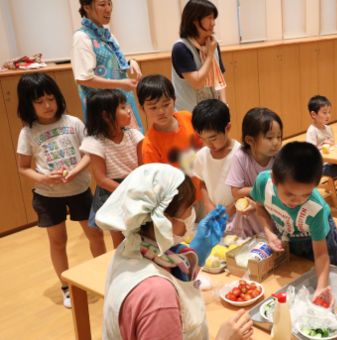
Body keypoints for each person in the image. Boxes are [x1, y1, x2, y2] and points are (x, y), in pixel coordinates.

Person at [96, 163, 254, 340]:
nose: (191, 214)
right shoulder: (158, 296)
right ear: (163, 220)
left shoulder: (129, 247)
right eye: (188, 209)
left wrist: (198, 252)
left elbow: (165, 271)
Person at [15, 73, 106, 308]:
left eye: (50, 98)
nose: (47, 105)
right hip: (47, 196)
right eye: (39, 101)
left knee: (95, 234)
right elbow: (23, 167)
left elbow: (89, 153)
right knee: (58, 242)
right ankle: (66, 287)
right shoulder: (28, 132)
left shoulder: (73, 123)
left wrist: (76, 170)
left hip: (80, 190)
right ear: (28, 105)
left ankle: (105, 277)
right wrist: (43, 178)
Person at [251, 142, 337, 304]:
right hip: (291, 235)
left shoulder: (315, 209)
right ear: (274, 178)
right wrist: (269, 232)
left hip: (320, 240)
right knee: (299, 278)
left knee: (322, 283)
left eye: (305, 194)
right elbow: (259, 207)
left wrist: (322, 287)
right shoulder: (263, 183)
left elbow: (321, 255)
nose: (296, 201)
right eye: (289, 194)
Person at [79, 89, 144, 247]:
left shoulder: (134, 135)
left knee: (141, 232)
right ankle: (120, 268)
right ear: (106, 115)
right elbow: (101, 179)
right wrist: (125, 190)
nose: (129, 110)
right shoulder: (95, 142)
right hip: (112, 193)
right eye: (122, 107)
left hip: (135, 186)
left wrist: (138, 188)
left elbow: (143, 167)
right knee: (119, 238)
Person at [71, 0, 144, 131]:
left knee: (132, 143)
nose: (108, 9)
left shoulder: (107, 34)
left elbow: (111, 62)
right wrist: (120, 83)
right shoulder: (82, 37)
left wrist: (130, 61)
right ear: (87, 7)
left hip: (121, 102)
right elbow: (83, 79)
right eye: (102, 4)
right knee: (112, 146)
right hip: (103, 109)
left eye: (109, 3)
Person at [136, 74, 204, 205]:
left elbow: (204, 147)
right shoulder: (149, 144)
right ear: (141, 108)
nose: (161, 111)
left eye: (166, 104)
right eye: (153, 107)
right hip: (180, 202)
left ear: (174, 100)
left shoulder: (188, 117)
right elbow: (158, 183)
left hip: (205, 189)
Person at [225, 108, 283, 237]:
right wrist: (260, 191)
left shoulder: (280, 156)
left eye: (279, 137)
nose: (276, 142)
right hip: (248, 220)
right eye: (269, 137)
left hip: (274, 216)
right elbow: (235, 192)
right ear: (250, 140)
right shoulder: (241, 157)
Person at [171, 0, 226, 111]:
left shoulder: (213, 44)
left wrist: (224, 104)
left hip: (212, 112)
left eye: (214, 18)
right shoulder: (181, 48)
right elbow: (197, 83)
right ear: (195, 20)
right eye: (209, 18)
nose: (213, 23)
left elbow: (220, 79)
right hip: (189, 112)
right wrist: (210, 55)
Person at [305, 95, 337, 208]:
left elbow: (332, 146)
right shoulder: (312, 131)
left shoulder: (328, 128)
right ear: (313, 114)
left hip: (331, 162)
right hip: (319, 166)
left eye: (329, 112)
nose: (328, 115)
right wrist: (321, 147)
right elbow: (310, 153)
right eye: (324, 112)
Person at [192, 99, 241, 217]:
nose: (208, 144)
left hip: (239, 215)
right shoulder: (201, 156)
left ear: (227, 128)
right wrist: (208, 203)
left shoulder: (240, 154)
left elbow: (247, 189)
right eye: (202, 138)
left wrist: (232, 208)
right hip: (215, 213)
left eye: (213, 138)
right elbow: (202, 182)